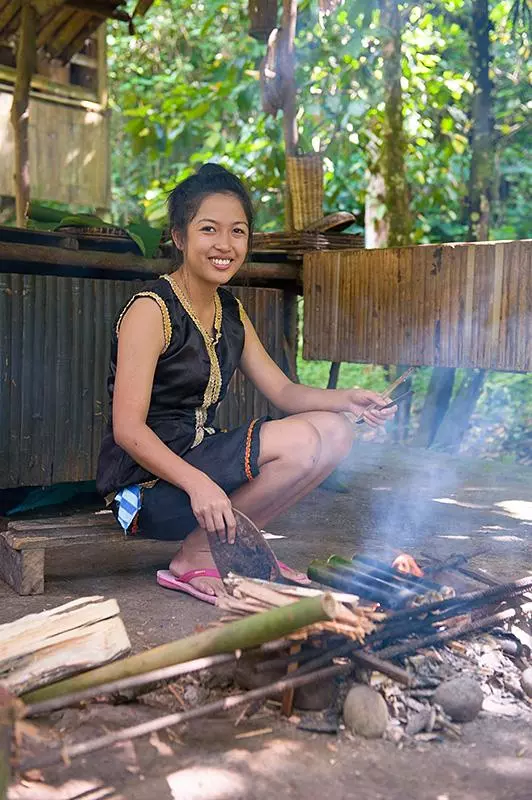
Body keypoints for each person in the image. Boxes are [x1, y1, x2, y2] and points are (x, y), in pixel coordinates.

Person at [96, 164, 396, 603]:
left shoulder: (229, 310)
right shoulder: (151, 309)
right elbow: (128, 429)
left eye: (238, 231)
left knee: (335, 431)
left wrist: (347, 400)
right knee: (299, 443)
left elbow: (284, 391)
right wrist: (198, 484)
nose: (225, 245)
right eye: (209, 230)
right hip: (146, 490)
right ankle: (196, 554)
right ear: (179, 237)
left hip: (202, 464)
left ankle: (234, 550)